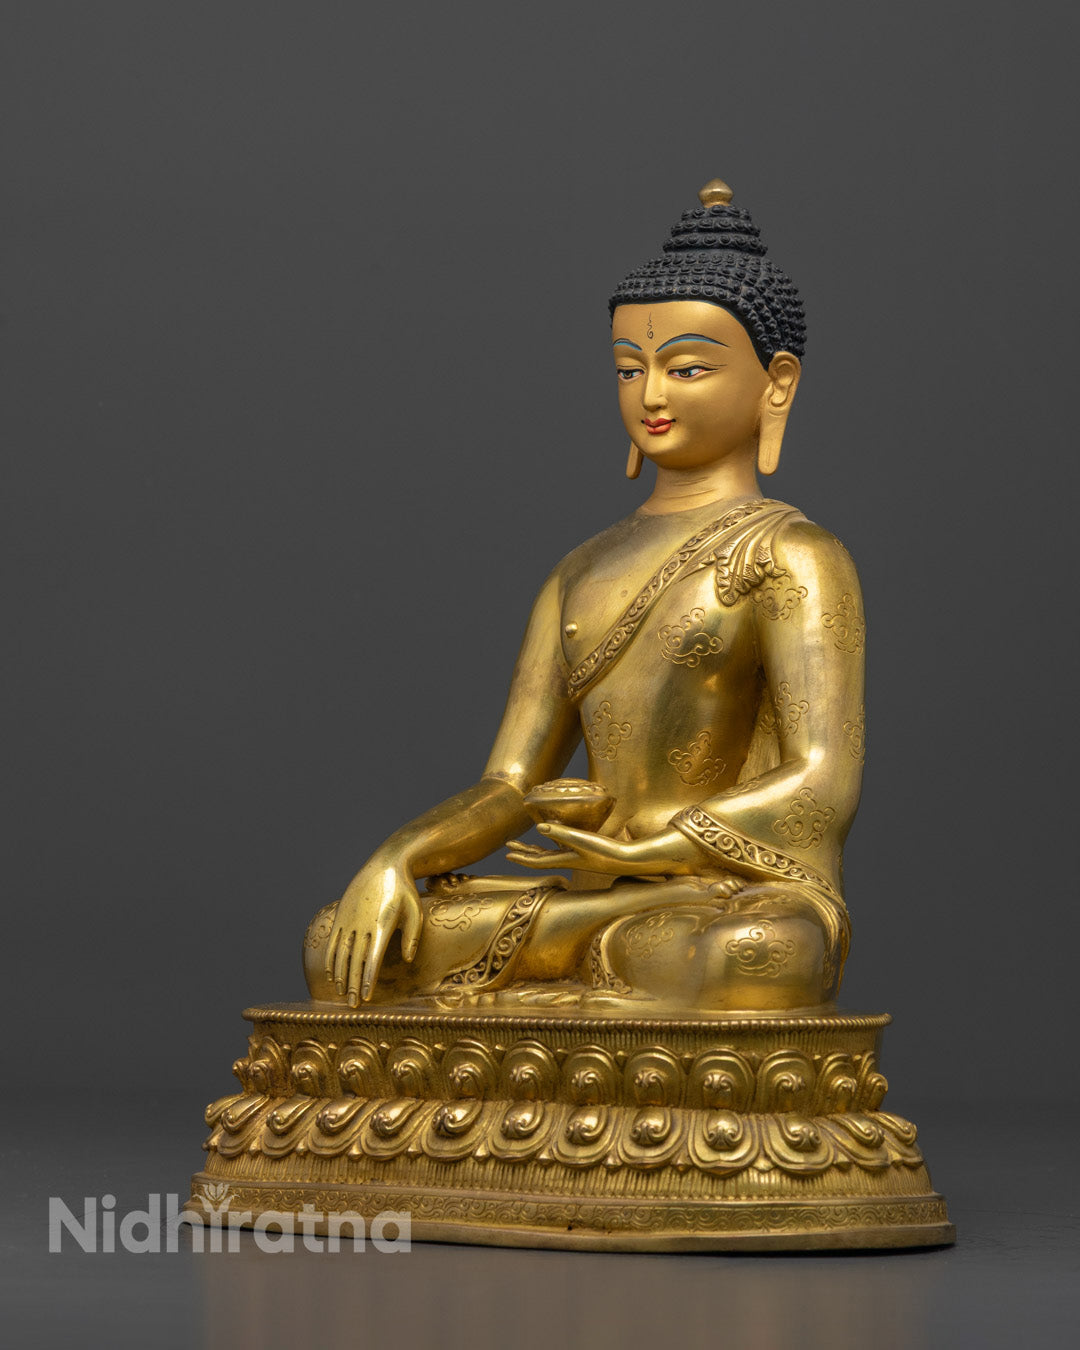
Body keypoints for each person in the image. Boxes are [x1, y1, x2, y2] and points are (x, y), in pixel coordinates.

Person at [303, 180, 864, 1012]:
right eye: (630, 369)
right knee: (342, 943)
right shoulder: (580, 571)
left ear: (776, 383)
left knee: (753, 956)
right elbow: (510, 783)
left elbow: (823, 777)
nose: (653, 395)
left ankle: (584, 961)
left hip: (717, 891)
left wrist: (654, 850)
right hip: (594, 891)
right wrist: (397, 857)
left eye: (687, 368)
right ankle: (586, 962)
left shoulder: (792, 555)